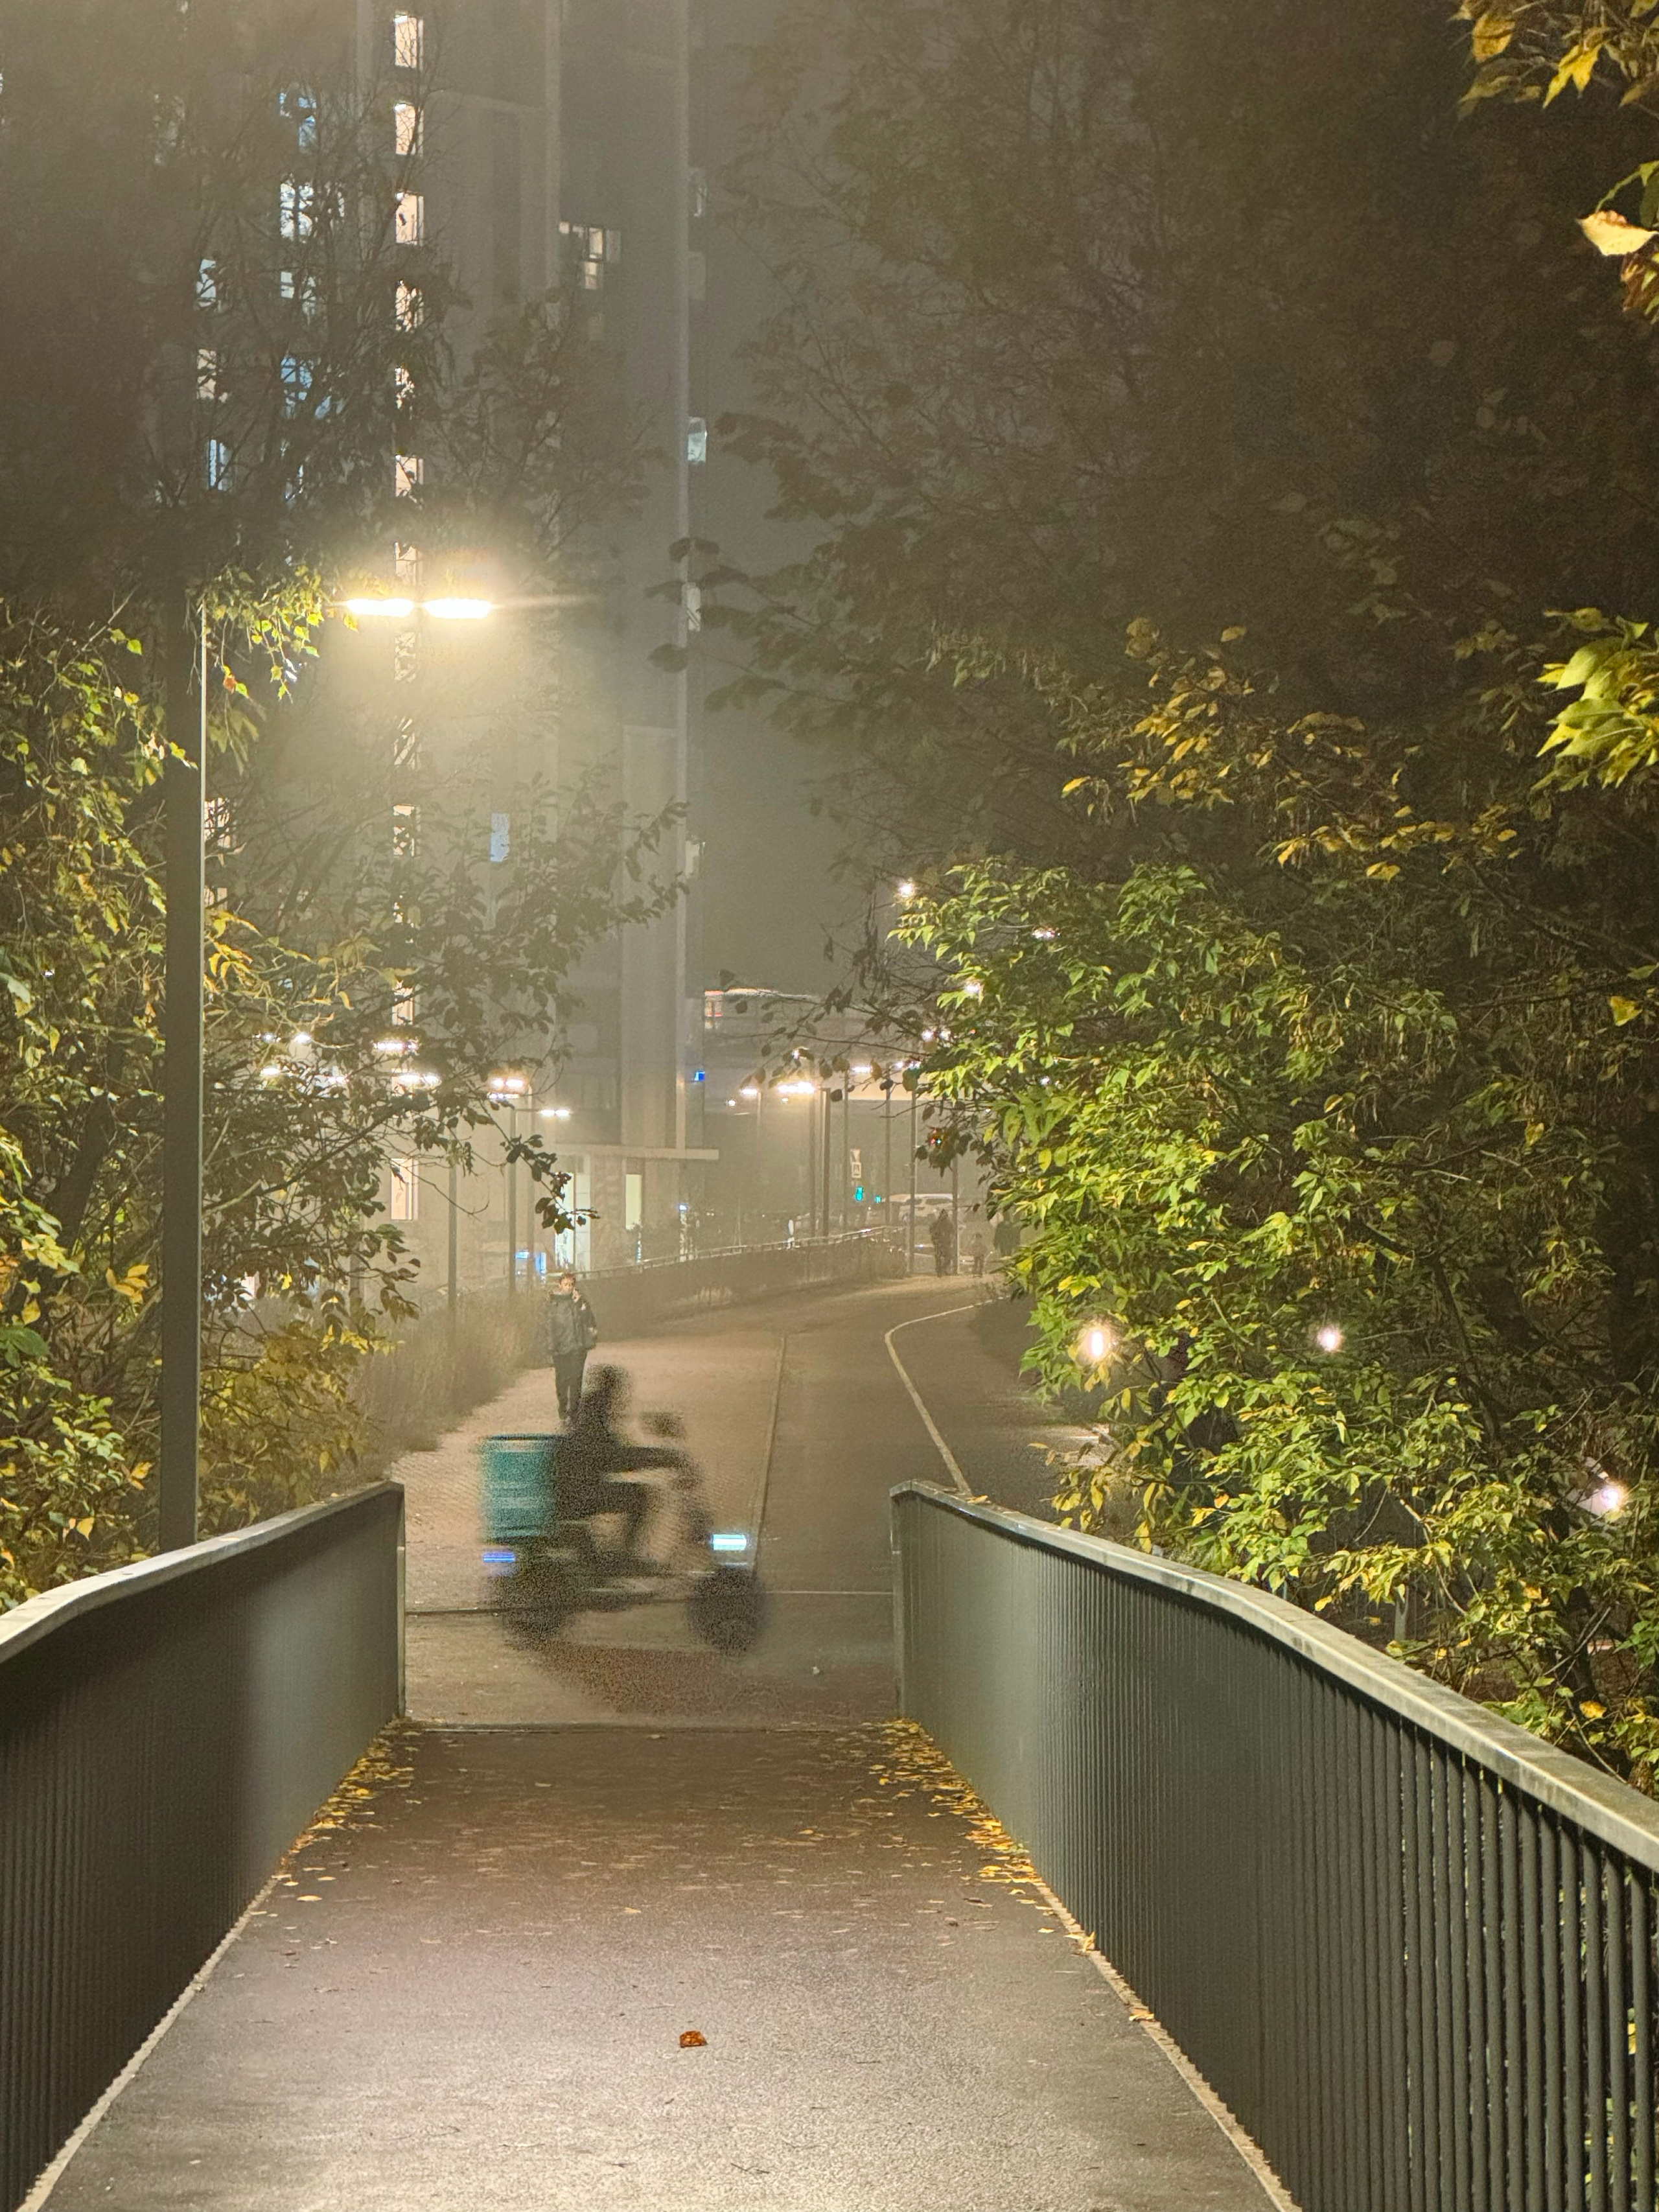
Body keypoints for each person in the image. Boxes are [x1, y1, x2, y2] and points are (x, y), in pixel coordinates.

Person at [555, 1366, 686, 1565]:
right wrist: (663, 1458)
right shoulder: (594, 1415)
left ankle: (616, 1553)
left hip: (576, 1490)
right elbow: (614, 1459)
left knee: (636, 1495)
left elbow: (613, 1454)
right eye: (620, 1389)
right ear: (612, 1388)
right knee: (642, 1497)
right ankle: (625, 1555)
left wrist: (655, 1456)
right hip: (579, 1494)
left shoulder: (590, 1411)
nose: (623, 1396)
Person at [546, 1272, 599, 1423]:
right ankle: (563, 1406)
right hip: (560, 1348)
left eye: (571, 1284)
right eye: (566, 1284)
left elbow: (590, 1321)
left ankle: (574, 1411)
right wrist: (551, 1347)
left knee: (576, 1379)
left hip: (578, 1347)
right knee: (562, 1379)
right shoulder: (553, 1304)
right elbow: (549, 1327)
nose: (569, 1287)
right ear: (560, 1285)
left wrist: (580, 1305)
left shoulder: (581, 1303)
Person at [929, 1205, 956, 1277]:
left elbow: (952, 1231)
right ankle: (940, 1270)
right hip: (940, 1242)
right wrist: (936, 1240)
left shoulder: (947, 1223)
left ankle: (942, 1269)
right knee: (940, 1257)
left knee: (947, 1256)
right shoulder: (936, 1223)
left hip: (945, 1243)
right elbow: (932, 1232)